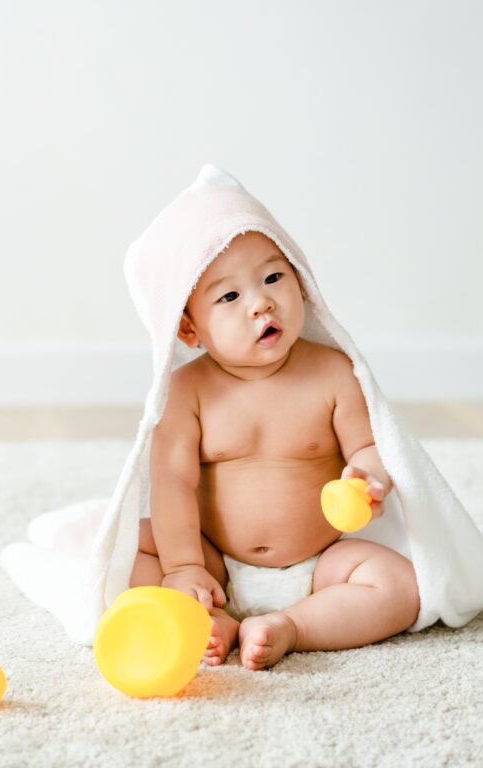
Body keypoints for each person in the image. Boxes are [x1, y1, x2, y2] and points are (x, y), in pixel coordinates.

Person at [129, 229, 420, 671]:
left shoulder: (334, 373)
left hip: (321, 563)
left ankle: (293, 626)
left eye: (272, 278)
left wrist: (368, 478)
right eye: (228, 296)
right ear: (189, 328)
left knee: (399, 585)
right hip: (215, 564)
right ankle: (217, 619)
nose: (260, 303)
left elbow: (367, 446)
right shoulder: (187, 390)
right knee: (124, 549)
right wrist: (184, 566)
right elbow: (172, 483)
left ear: (301, 284)